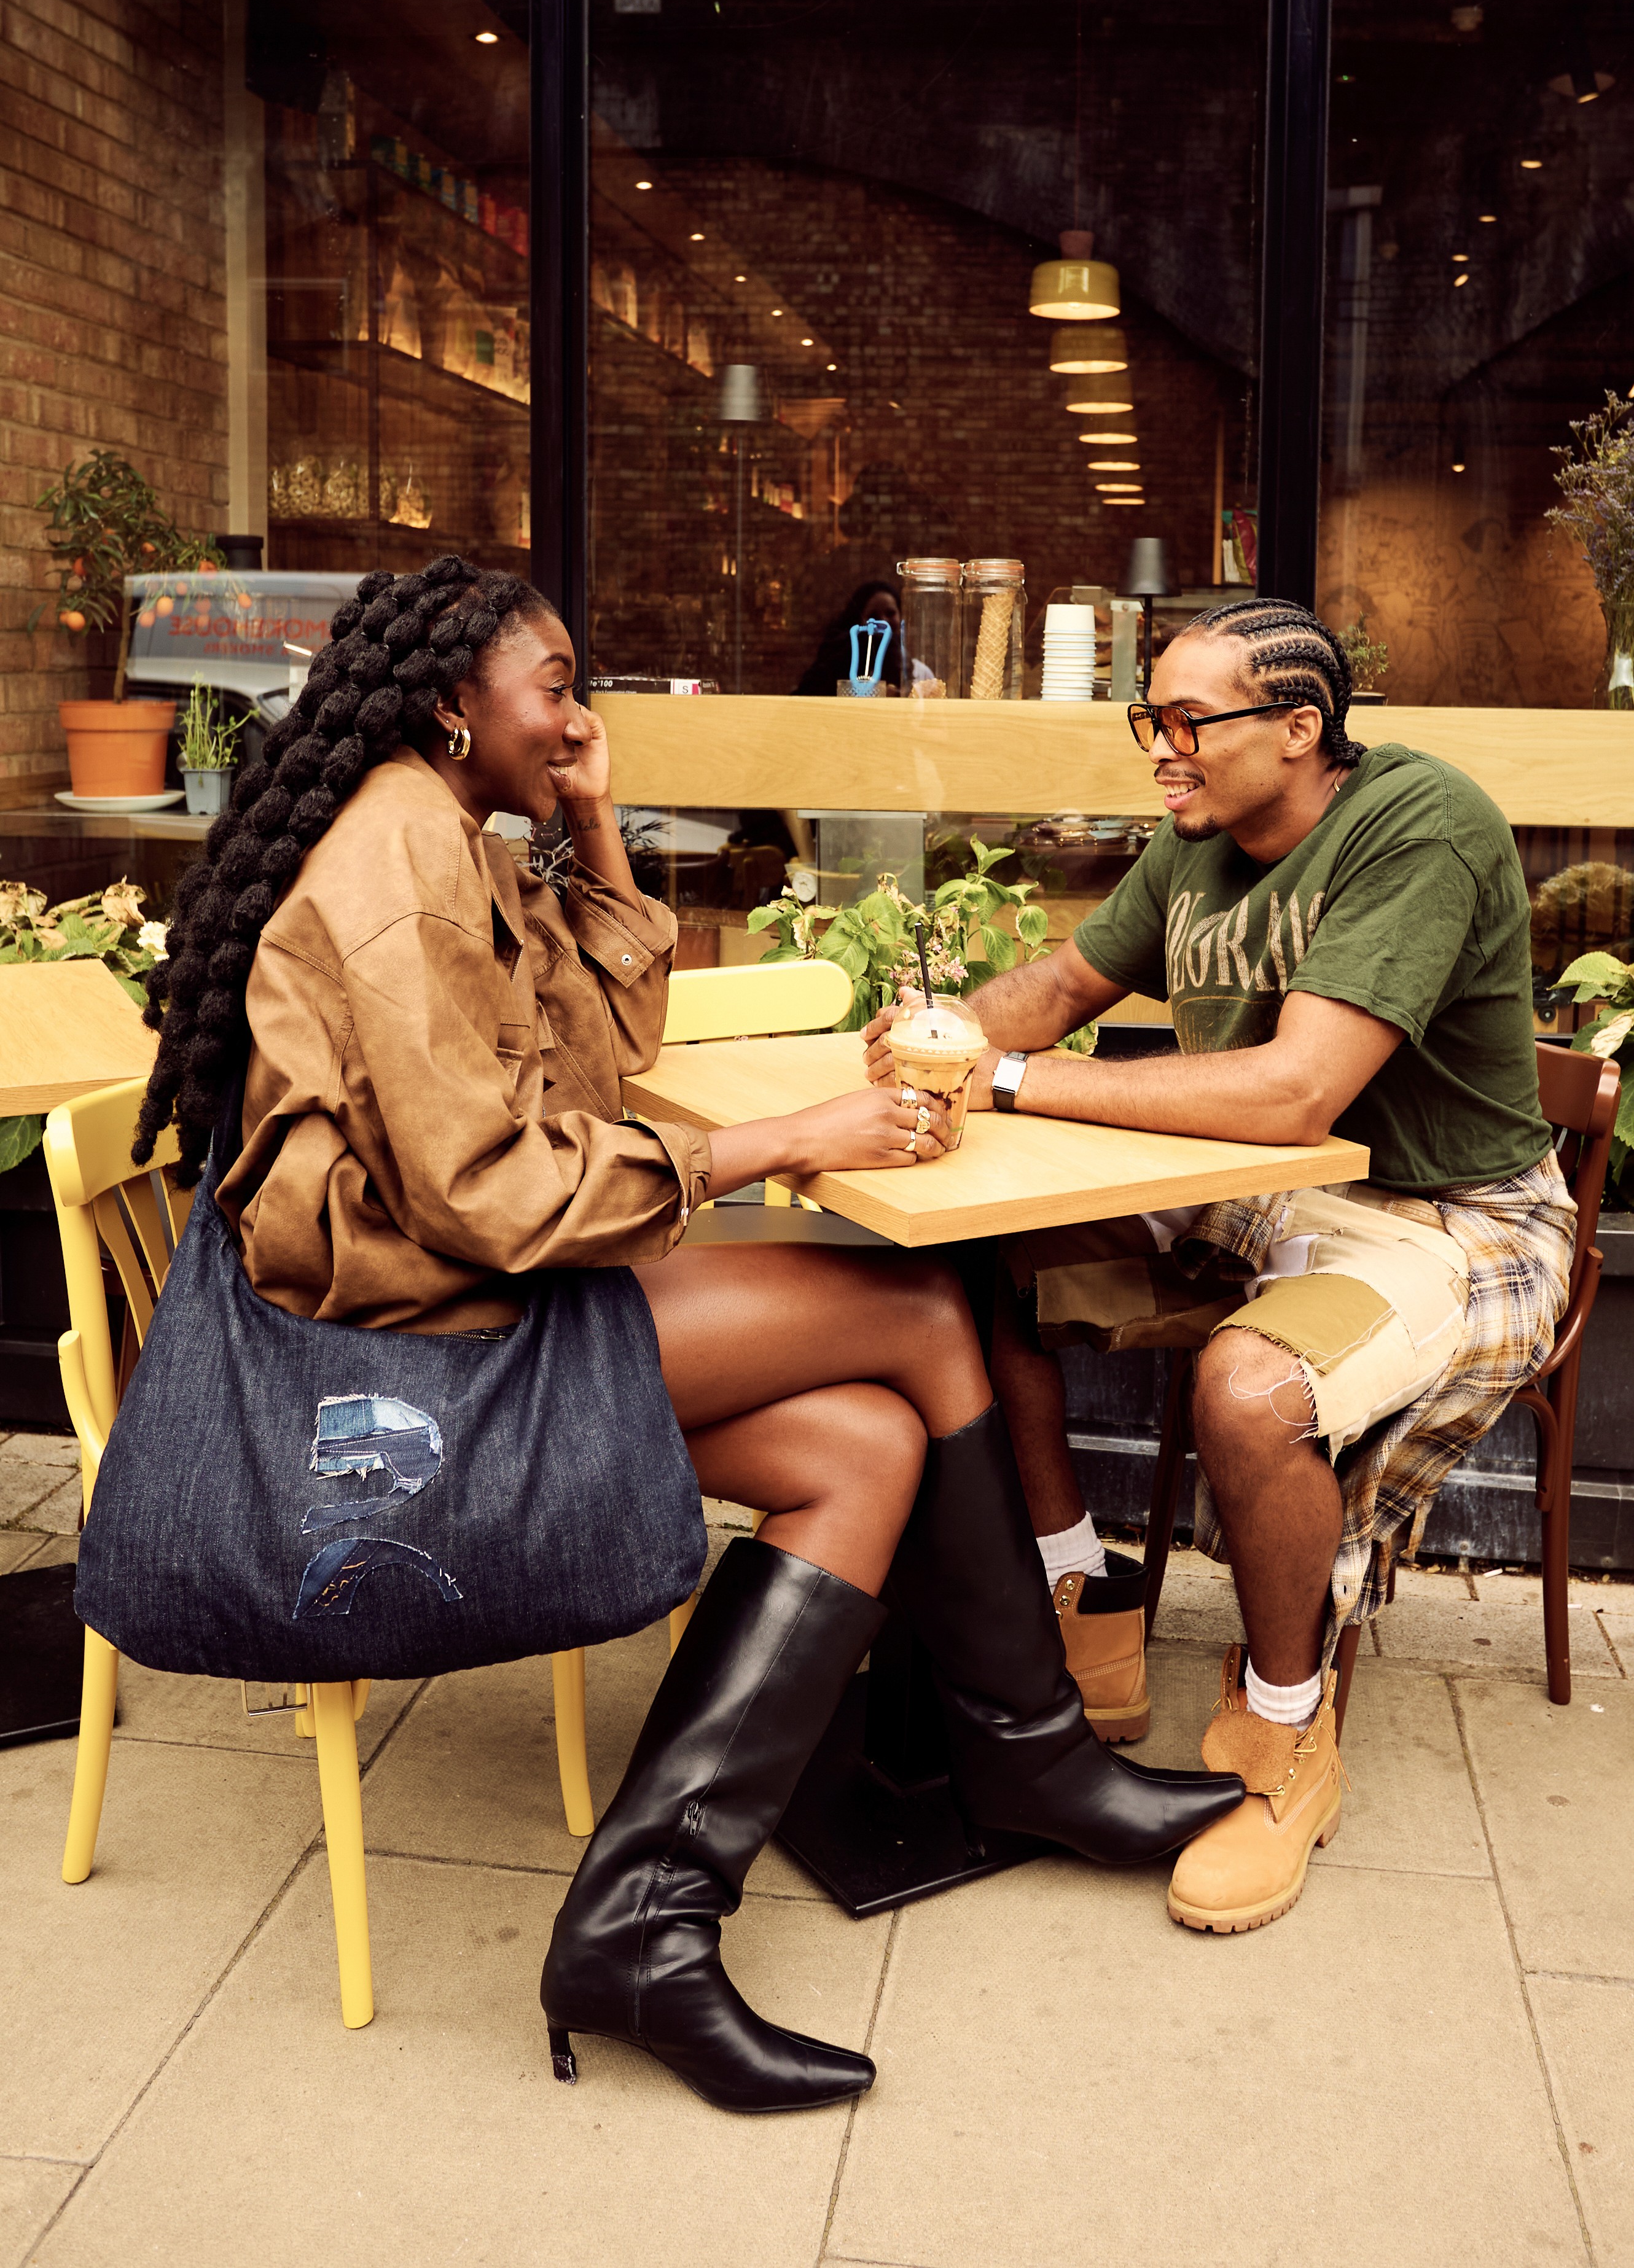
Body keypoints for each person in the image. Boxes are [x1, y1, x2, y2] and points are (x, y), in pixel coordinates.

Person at [135, 554, 1238, 2115]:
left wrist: (589, 821)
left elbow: (604, 1051)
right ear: (451, 703)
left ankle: (646, 1926)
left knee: (861, 1442)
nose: (579, 716)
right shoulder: (401, 863)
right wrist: (788, 1140)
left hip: (469, 1300)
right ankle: (1031, 1758)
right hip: (423, 1357)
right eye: (556, 689)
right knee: (922, 1307)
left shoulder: (454, 832)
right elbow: (487, 1195)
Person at [865, 596, 1575, 1938]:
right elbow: (1059, 989)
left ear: (1300, 727)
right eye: (1151, 717)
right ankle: (1080, 1600)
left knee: (1250, 1390)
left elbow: (1296, 1092)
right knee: (974, 1256)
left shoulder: (1418, 825)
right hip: (1257, 1191)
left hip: (1451, 1218)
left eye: (1189, 721)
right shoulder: (1197, 841)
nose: (1160, 748)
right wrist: (939, 1034)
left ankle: (1283, 1728)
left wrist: (1005, 1080)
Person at [793, 580, 901, 695]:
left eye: (890, 613)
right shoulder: (840, 655)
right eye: (873, 616)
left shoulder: (907, 660)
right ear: (859, 620)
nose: (883, 621)